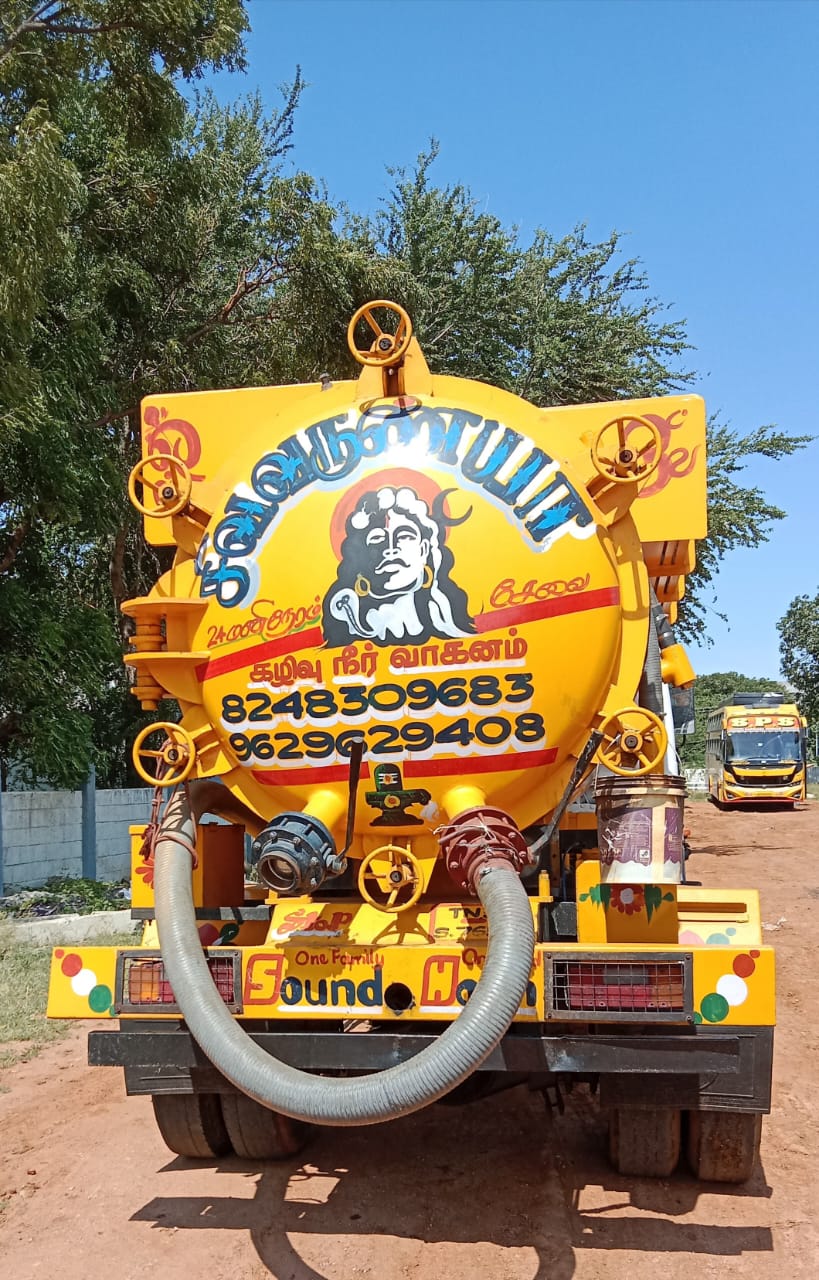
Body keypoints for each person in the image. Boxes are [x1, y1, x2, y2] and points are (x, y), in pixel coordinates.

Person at [322, 484, 474, 646]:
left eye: (404, 536)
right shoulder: (346, 620)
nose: (391, 548)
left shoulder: (445, 618)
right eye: (377, 539)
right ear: (360, 556)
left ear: (424, 549)